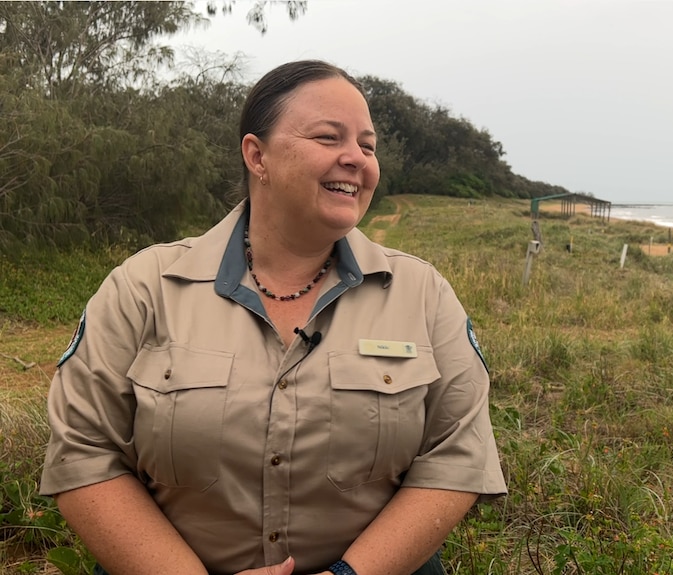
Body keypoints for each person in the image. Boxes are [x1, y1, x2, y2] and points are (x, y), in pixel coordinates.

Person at [39, 60, 507, 575]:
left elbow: (456, 455)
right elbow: (84, 452)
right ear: (256, 155)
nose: (356, 158)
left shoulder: (423, 295)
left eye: (368, 145)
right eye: (329, 137)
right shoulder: (144, 287)